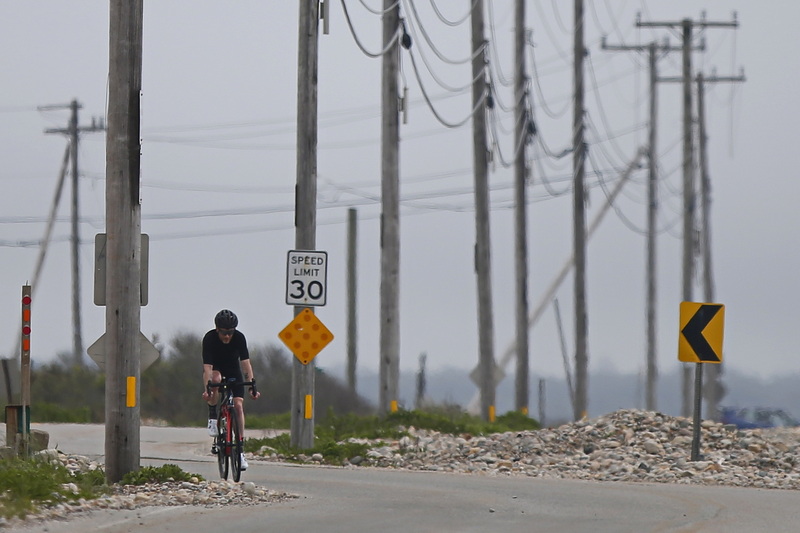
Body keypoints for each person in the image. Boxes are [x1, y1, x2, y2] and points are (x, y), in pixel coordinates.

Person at [201, 309, 260, 470]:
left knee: (239, 406)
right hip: (216, 369)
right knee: (216, 379)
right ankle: (213, 415)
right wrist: (207, 388)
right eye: (224, 333)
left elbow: (246, 364)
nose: (227, 336)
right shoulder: (210, 338)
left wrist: (251, 385)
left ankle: (240, 450)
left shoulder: (239, 338)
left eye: (230, 332)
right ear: (217, 329)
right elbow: (207, 367)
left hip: (233, 370)